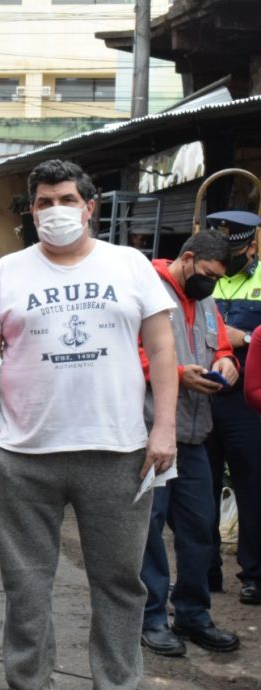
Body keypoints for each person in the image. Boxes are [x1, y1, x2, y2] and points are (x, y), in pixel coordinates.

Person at [0, 159, 178, 689]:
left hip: (118, 453)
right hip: (25, 458)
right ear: (32, 211)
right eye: (44, 202)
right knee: (25, 587)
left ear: (89, 208)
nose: (55, 210)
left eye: (66, 200)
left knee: (120, 585)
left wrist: (164, 429)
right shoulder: (7, 272)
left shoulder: (129, 264)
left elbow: (162, 348)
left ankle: (117, 682)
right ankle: (30, 682)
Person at [139, 229, 241, 656]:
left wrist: (226, 362)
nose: (211, 284)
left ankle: (194, 615)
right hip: (150, 433)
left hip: (196, 436)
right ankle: (151, 618)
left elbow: (220, 346)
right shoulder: (146, 289)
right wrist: (177, 374)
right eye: (208, 275)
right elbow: (127, 353)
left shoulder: (206, 302)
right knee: (148, 531)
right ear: (188, 258)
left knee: (200, 528)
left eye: (217, 279)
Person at [205, 209, 261, 606]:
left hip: (247, 401)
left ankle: (254, 574)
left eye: (234, 250)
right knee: (199, 489)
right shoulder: (206, 276)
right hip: (203, 394)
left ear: (251, 245)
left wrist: (246, 339)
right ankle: (204, 570)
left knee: (252, 487)